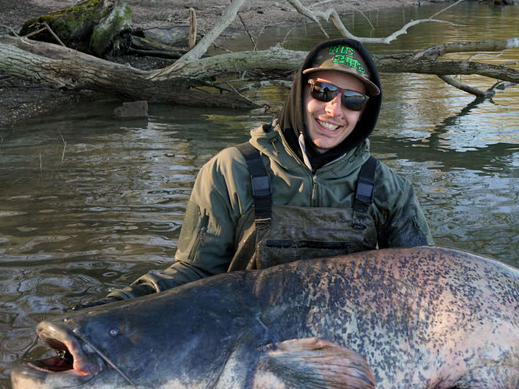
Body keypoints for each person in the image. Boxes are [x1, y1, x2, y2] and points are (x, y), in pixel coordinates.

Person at [77, 37, 432, 303]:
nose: (334, 110)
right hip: (251, 346)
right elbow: (196, 273)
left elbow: (422, 284)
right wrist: (122, 305)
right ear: (299, 92)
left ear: (365, 111)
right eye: (323, 91)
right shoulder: (228, 170)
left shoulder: (391, 190)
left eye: (353, 100)